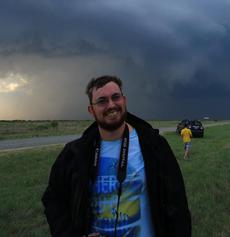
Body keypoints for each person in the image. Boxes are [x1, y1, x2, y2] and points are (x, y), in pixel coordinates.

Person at [42, 75, 191, 237]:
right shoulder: (75, 153)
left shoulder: (154, 145)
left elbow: (177, 204)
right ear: (91, 110)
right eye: (102, 101)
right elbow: (53, 200)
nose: (111, 105)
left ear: (124, 100)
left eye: (116, 97)